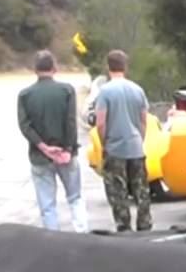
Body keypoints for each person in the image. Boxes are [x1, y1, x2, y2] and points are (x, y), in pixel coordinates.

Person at [16, 49, 90, 232]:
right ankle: (82, 234)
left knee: (47, 206)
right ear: (54, 68)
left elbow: (24, 126)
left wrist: (43, 146)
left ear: (35, 70)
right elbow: (70, 122)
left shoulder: (25, 95)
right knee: (75, 198)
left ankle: (52, 239)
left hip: (40, 156)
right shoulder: (66, 91)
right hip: (65, 154)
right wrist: (68, 148)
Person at [90, 49, 153, 232]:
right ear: (125, 66)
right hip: (135, 147)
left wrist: (104, 144)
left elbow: (101, 123)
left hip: (116, 148)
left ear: (107, 67)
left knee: (118, 191)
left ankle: (124, 226)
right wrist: (140, 139)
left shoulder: (105, 92)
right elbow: (143, 119)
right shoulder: (137, 90)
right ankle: (144, 224)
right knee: (142, 190)